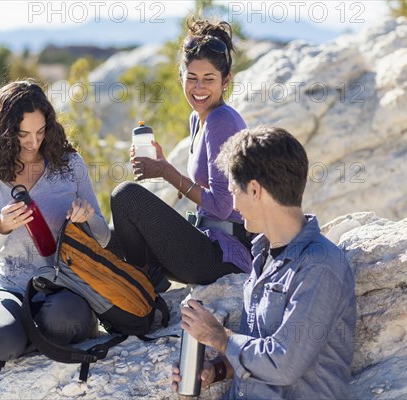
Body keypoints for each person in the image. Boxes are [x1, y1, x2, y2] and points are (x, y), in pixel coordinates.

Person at [0, 80, 109, 381]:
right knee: (2, 337)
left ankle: (2, 346)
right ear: (3, 131)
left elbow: (103, 237)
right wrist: (0, 227)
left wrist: (88, 217)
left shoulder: (69, 163)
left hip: (64, 285)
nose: (33, 142)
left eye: (40, 132)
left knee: (67, 323)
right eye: (23, 134)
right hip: (11, 288)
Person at [171, 125, 357, 399]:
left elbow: (283, 363)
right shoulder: (262, 256)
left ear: (255, 190)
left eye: (234, 190)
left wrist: (218, 336)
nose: (234, 205)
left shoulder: (320, 266)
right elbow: (256, 348)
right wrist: (218, 370)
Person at [109, 17, 252, 291]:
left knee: (126, 196)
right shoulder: (199, 118)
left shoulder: (222, 120)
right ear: (181, 78)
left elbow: (222, 206)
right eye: (192, 78)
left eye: (209, 79)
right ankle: (148, 287)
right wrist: (162, 163)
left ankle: (144, 293)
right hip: (205, 239)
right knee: (111, 237)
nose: (199, 89)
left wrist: (166, 172)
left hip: (225, 256)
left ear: (226, 80)